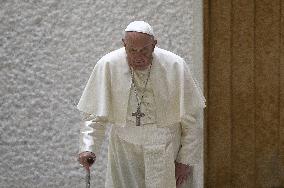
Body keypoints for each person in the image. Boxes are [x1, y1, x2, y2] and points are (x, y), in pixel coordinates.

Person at [77, 21, 206, 188]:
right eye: (132, 50)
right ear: (124, 45)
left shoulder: (175, 66)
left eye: (144, 50)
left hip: (166, 149)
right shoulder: (108, 65)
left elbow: (191, 120)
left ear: (154, 45)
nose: (138, 57)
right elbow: (94, 115)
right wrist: (88, 147)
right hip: (124, 151)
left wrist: (186, 160)